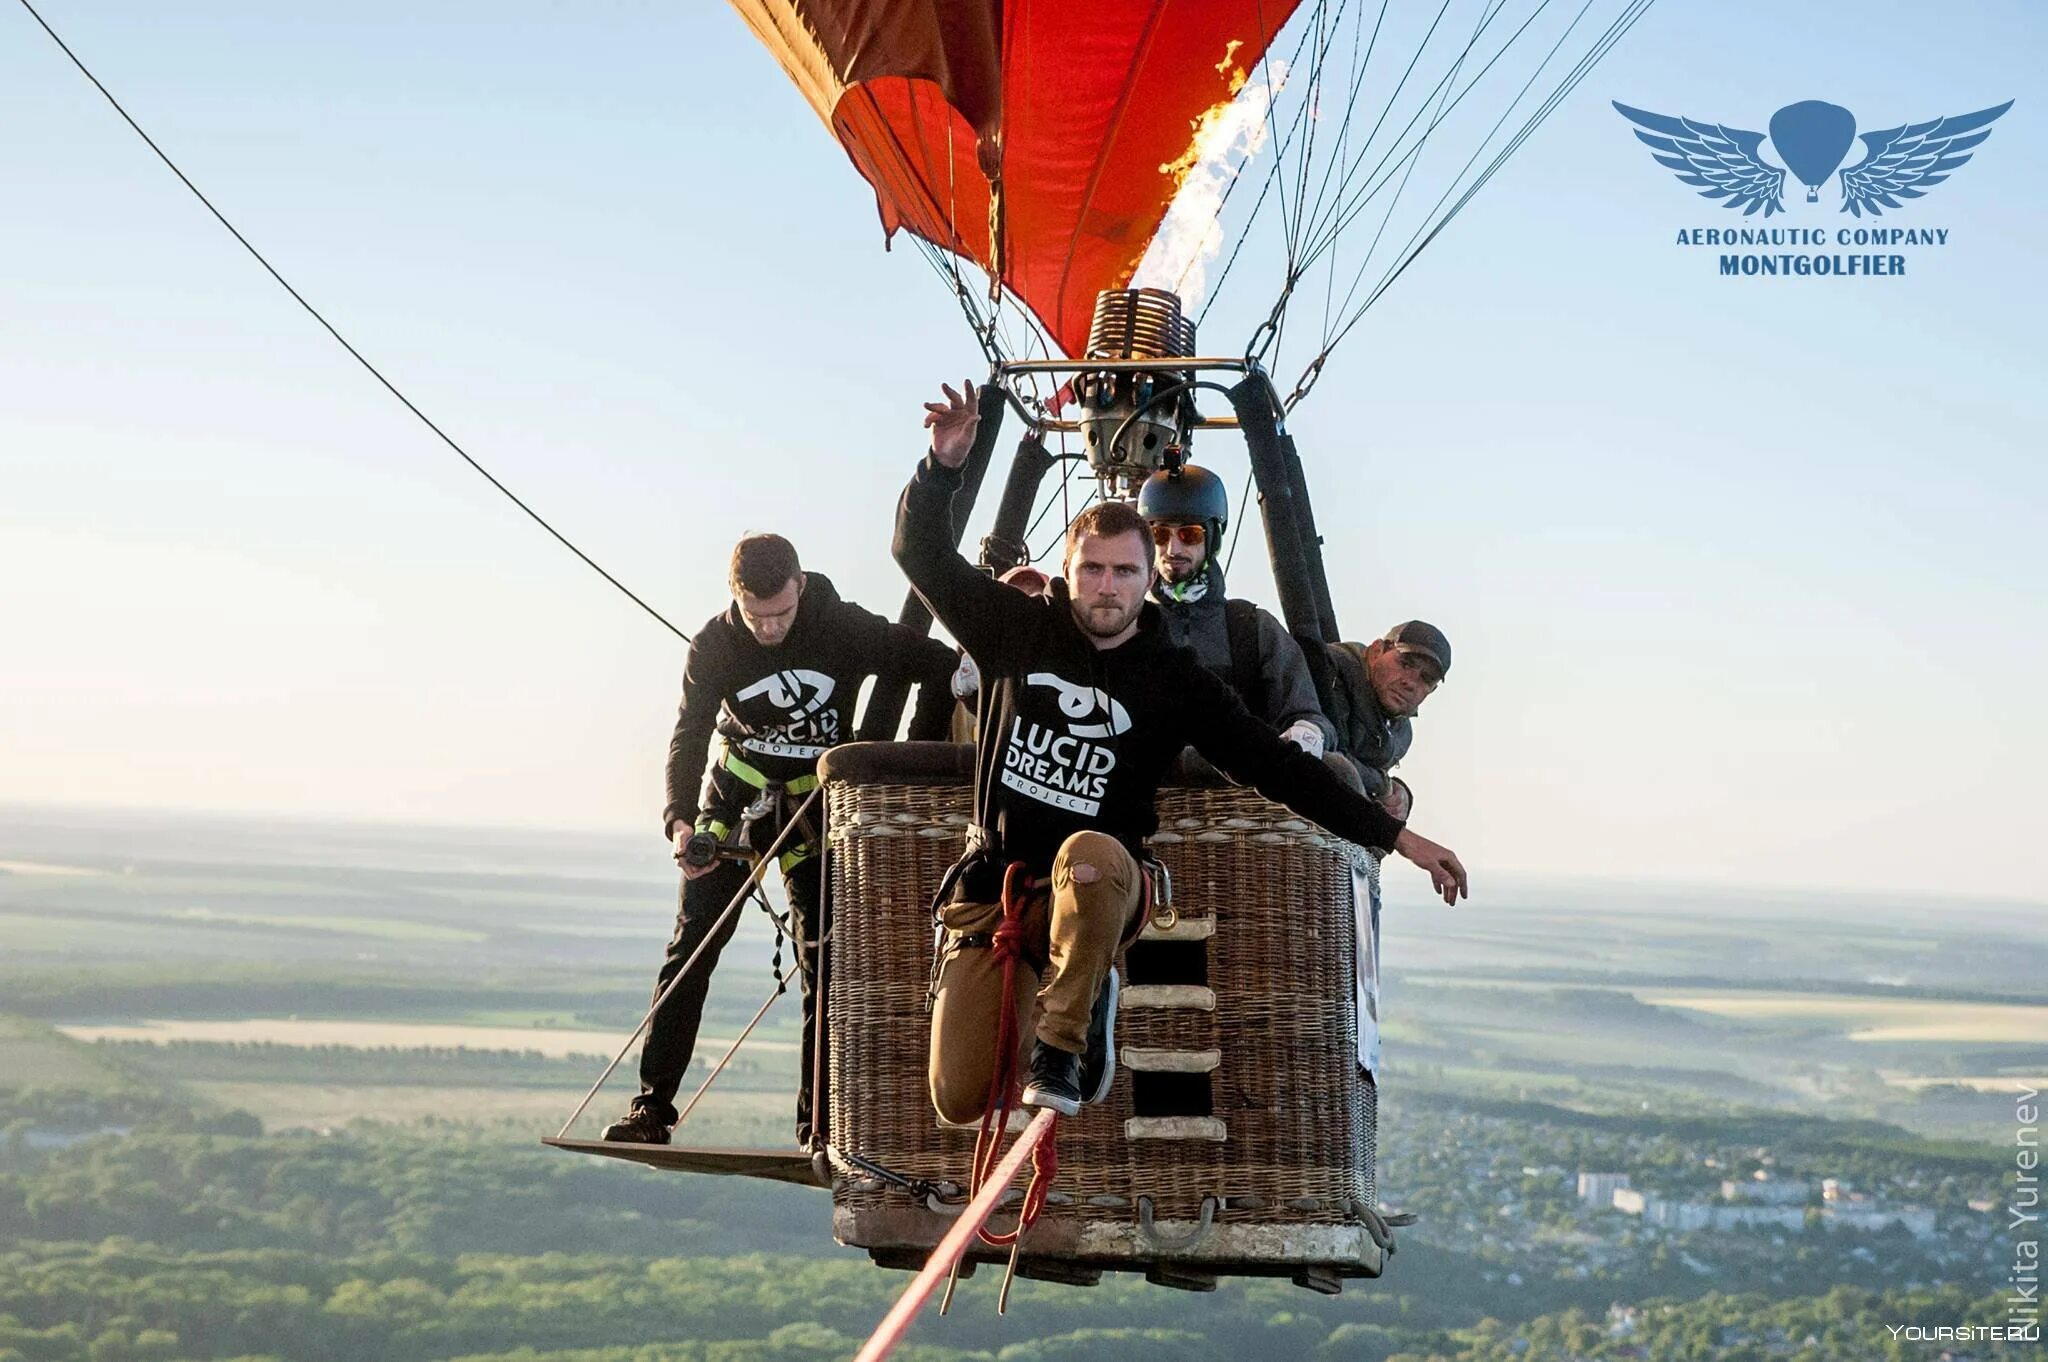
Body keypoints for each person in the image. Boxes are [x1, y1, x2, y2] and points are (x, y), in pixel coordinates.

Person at [895, 382, 1468, 1120]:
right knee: (960, 1098)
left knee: (1093, 857)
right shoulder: (1013, 630)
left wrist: (1399, 836)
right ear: (1070, 571)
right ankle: (1039, 999)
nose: (1108, 588)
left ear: (1145, 582)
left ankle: (1066, 1042)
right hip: (998, 884)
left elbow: (1279, 767)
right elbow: (920, 553)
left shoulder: (1174, 676)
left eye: (1125, 572)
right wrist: (943, 466)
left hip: (1103, 880)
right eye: (1094, 570)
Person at [602, 533, 957, 1148]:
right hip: (734, 801)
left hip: (814, 809)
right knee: (693, 946)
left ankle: (816, 1126)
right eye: (755, 615)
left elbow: (928, 662)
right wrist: (680, 821)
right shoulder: (714, 644)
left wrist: (977, 674)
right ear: (734, 596)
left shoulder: (840, 627)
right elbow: (688, 735)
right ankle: (651, 1108)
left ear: (800, 587)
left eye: (781, 614)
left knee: (823, 961)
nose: (768, 628)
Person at [1137, 463, 1333, 756]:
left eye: (1189, 535)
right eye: (1160, 535)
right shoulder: (1128, 621)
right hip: (1140, 774)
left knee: (1339, 771)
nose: (1173, 549)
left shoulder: (1250, 628)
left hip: (1235, 782)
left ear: (1212, 537)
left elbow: (1308, 714)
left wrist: (1308, 733)